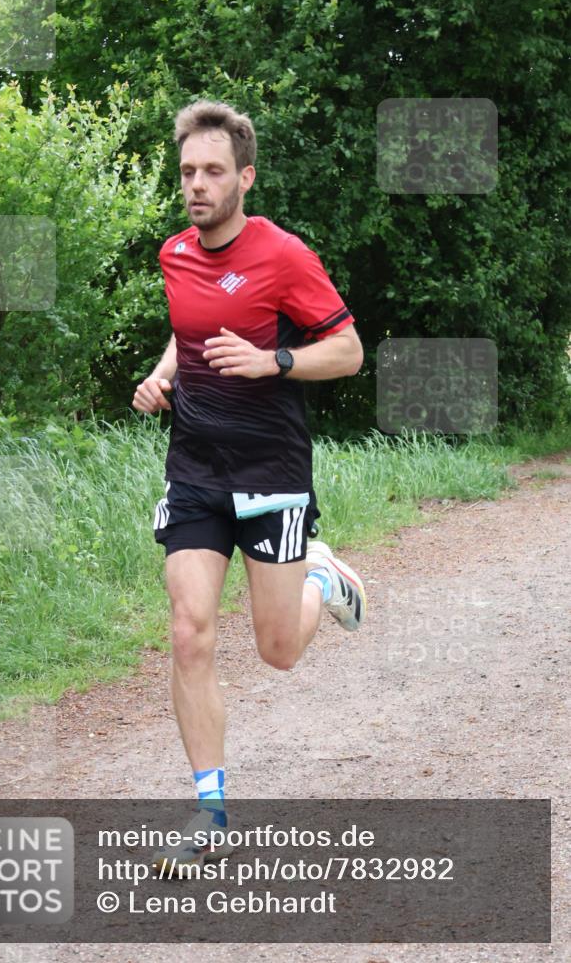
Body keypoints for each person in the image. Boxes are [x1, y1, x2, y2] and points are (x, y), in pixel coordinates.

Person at [131, 99, 366, 876]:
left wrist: (278, 361)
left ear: (245, 177)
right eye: (188, 172)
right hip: (195, 468)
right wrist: (161, 376)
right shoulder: (173, 254)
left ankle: (323, 577)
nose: (196, 186)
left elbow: (348, 350)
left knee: (275, 652)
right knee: (188, 629)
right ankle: (210, 812)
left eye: (212, 172)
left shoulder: (282, 255)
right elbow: (187, 328)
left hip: (271, 473)